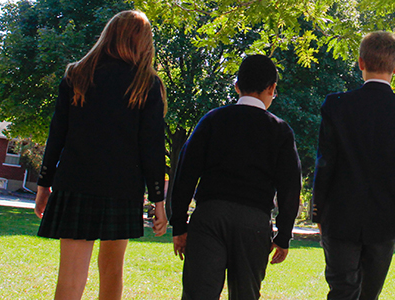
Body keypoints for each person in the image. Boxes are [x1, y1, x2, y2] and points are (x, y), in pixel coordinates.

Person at [33, 10, 168, 300]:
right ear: (141, 41)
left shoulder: (76, 74)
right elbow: (152, 146)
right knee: (112, 271)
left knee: (70, 279)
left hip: (74, 184)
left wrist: (44, 184)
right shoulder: (147, 83)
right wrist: (159, 200)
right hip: (122, 188)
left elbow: (57, 135)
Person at [168, 54, 301, 300]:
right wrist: (283, 235)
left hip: (210, 215)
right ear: (272, 88)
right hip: (254, 222)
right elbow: (290, 188)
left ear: (237, 85)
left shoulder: (212, 120)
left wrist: (179, 223)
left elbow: (185, 172)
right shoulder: (281, 132)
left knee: (199, 294)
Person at [312, 31, 395, 300]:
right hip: (385, 219)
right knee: (369, 294)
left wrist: (319, 210)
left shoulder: (336, 105)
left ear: (360, 62)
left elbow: (324, 162)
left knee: (341, 291)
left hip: (339, 215)